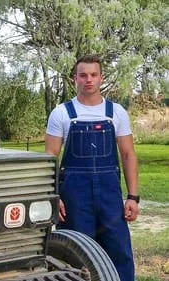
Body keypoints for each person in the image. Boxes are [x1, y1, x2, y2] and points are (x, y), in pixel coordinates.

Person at [45, 55, 139, 281]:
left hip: (109, 197)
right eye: (83, 75)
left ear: (101, 78)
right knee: (75, 254)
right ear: (74, 79)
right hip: (75, 198)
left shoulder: (116, 112)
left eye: (93, 75)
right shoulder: (61, 113)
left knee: (120, 252)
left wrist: (133, 197)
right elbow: (50, 158)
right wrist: (53, 195)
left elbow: (128, 155)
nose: (89, 80)